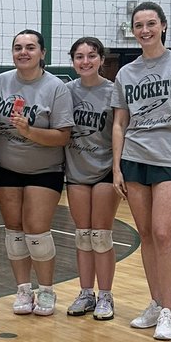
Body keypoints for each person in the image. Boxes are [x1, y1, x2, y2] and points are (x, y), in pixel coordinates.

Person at [112, 2, 171, 342]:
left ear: (163, 26)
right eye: (139, 24)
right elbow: (120, 122)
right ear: (133, 30)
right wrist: (116, 166)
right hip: (135, 158)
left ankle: (169, 311)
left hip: (170, 159)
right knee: (146, 236)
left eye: (151, 23)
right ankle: (155, 302)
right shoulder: (126, 73)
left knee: (164, 234)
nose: (145, 29)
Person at [0, 29, 73, 317]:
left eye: (30, 47)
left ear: (42, 53)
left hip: (44, 169)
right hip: (7, 169)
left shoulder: (55, 87)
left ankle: (47, 289)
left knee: (36, 231)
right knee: (15, 232)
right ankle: (23, 289)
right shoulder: (0, 82)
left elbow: (63, 136)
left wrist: (30, 132)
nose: (23, 52)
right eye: (18, 47)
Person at [64, 36, 118, 321]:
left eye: (92, 56)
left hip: (106, 169)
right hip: (76, 170)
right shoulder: (65, 91)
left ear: (101, 59)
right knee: (82, 236)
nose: (86, 61)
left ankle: (106, 295)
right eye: (80, 56)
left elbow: (122, 131)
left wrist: (120, 170)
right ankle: (86, 292)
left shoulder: (113, 91)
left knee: (101, 235)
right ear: (73, 61)